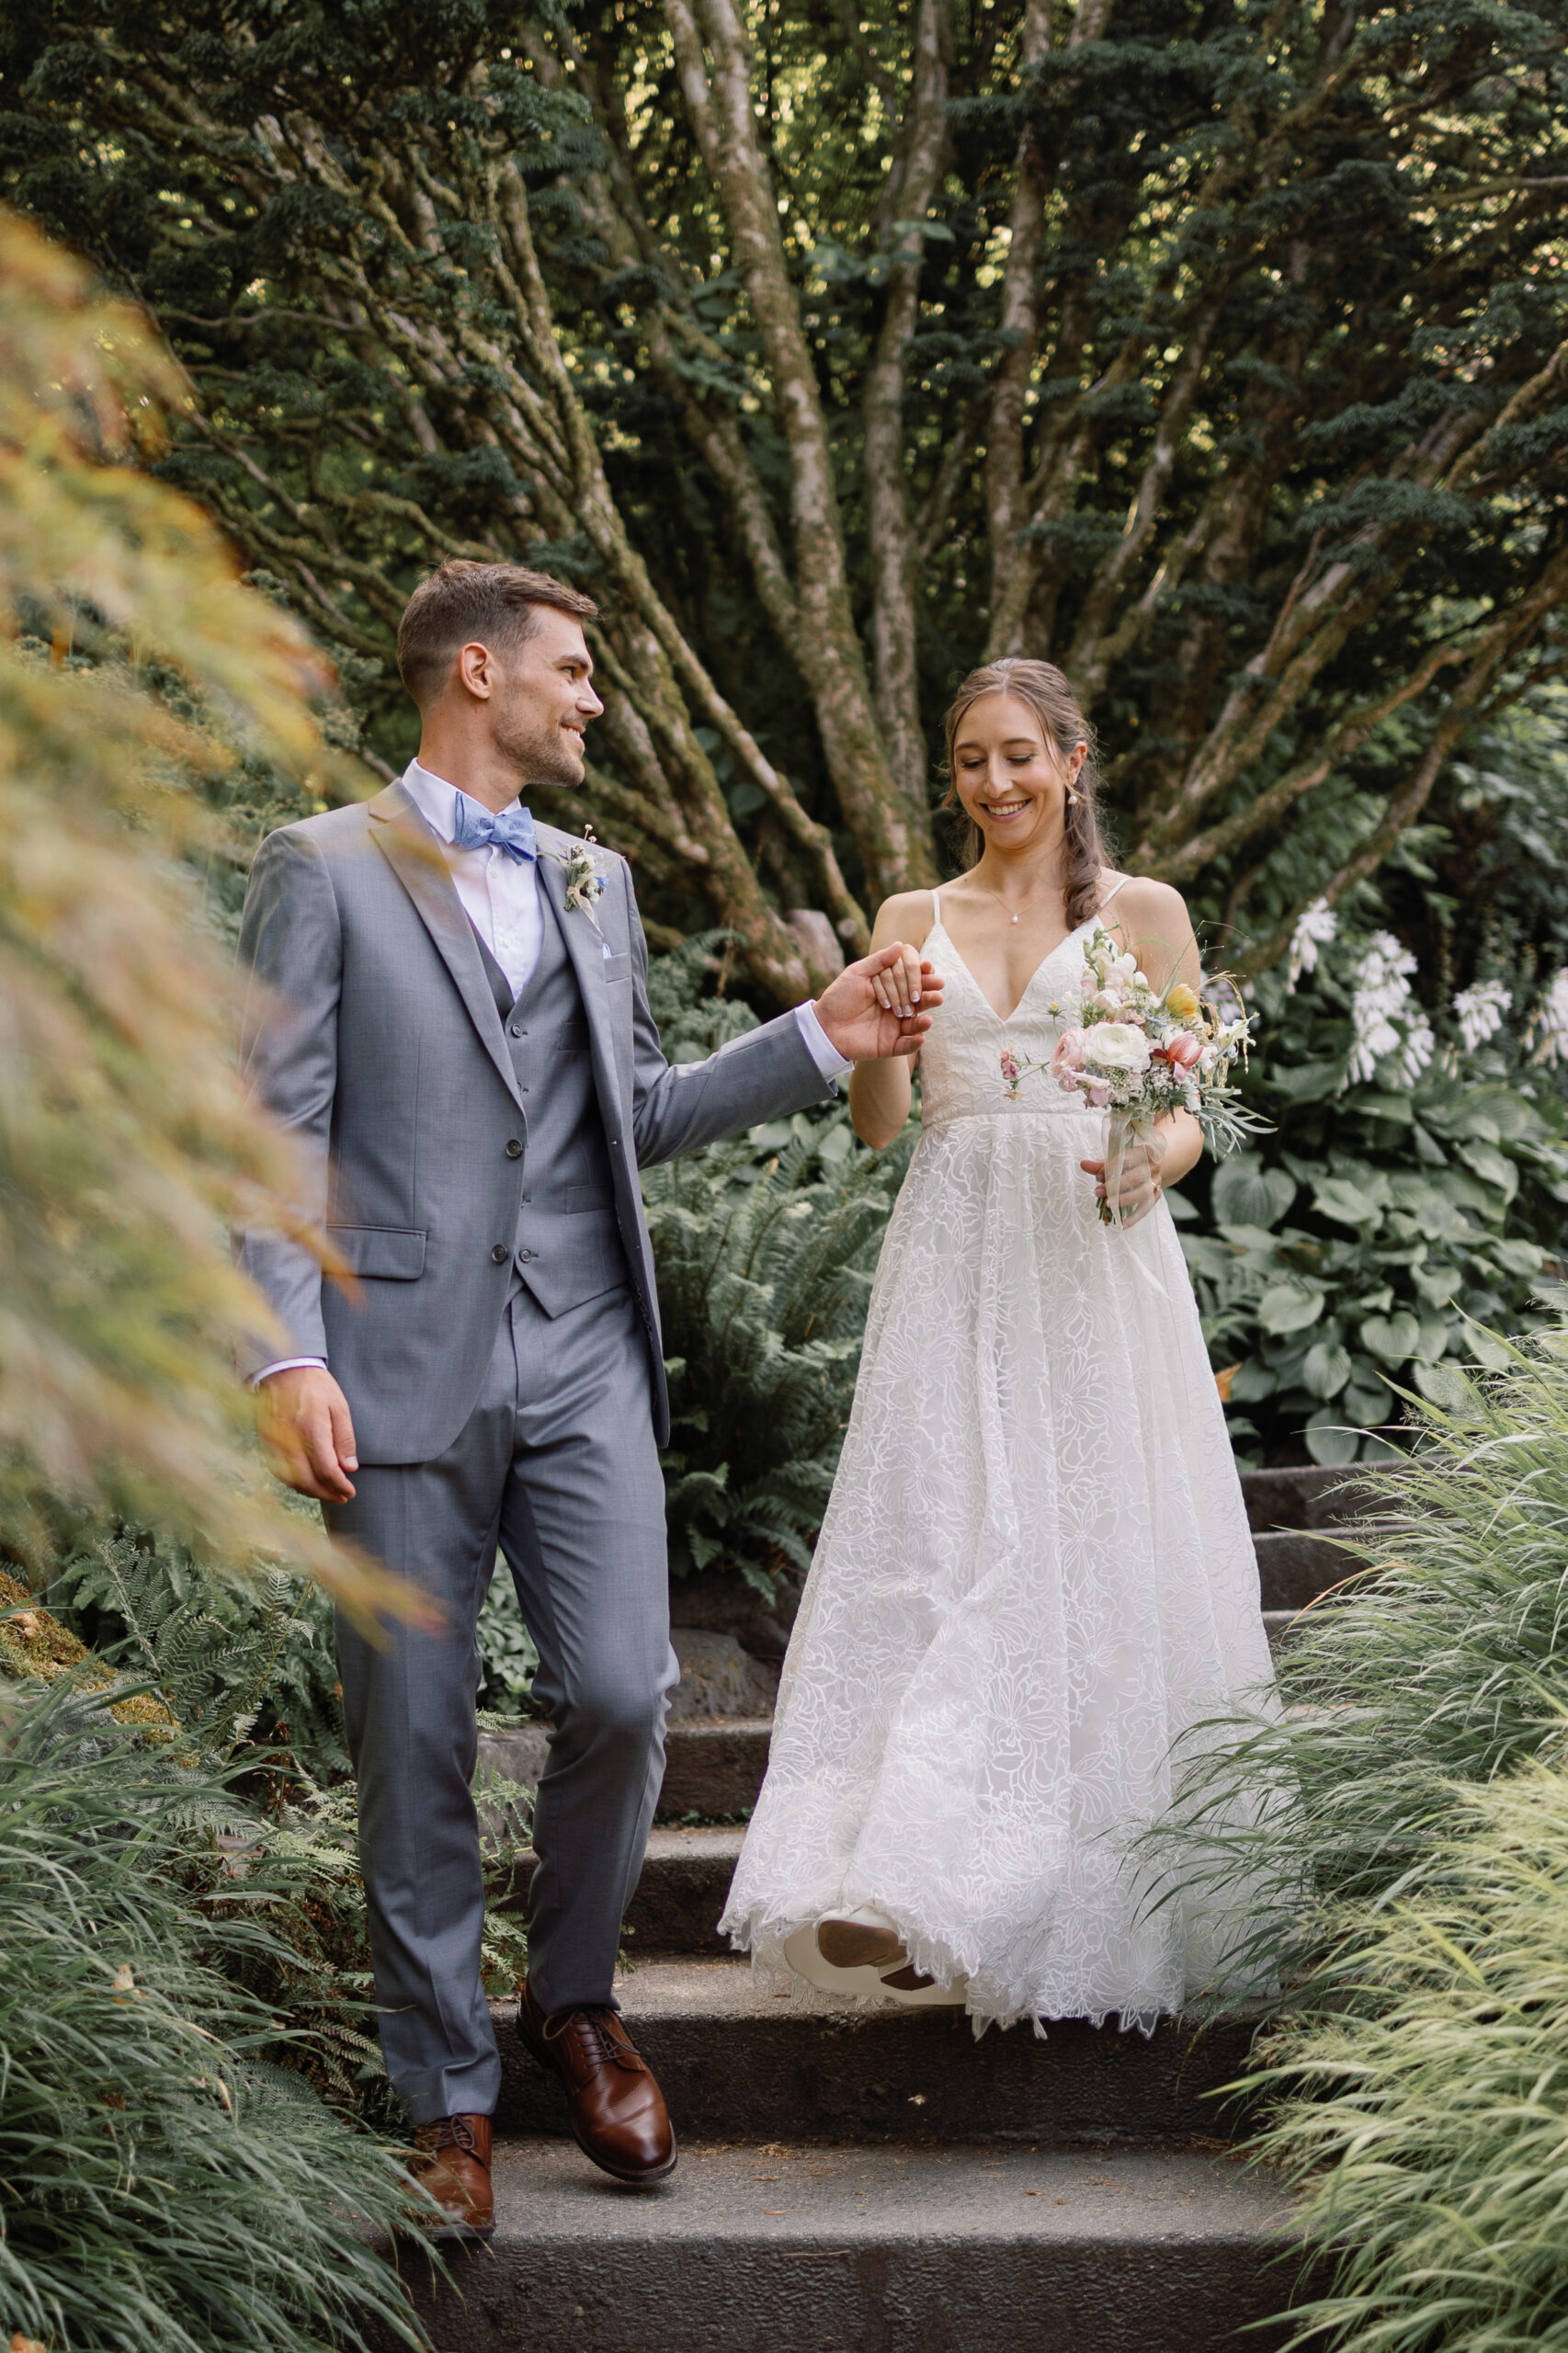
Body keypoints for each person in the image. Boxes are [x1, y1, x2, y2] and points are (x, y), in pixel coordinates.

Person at [233, 560, 943, 2233]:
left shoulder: (592, 881)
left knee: (623, 1693)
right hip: (386, 1361)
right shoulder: (318, 871)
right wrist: (283, 1353)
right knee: (410, 1740)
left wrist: (820, 1035)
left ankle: (573, 2005)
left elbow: (629, 1111)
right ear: (475, 672)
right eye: (574, 670)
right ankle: (441, 2095)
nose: (594, 698)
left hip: (579, 1355)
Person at [722, 657, 1275, 2032]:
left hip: (1093, 1256)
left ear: (1071, 759)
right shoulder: (913, 915)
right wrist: (872, 1040)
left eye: (1019, 753)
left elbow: (1190, 1103)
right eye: (971, 760)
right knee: (939, 1539)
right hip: (955, 1251)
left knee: (1088, 1548)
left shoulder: (1143, 913)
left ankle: (1056, 1888)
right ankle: (897, 1871)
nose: (997, 783)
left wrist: (1155, 1152)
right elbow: (877, 1121)